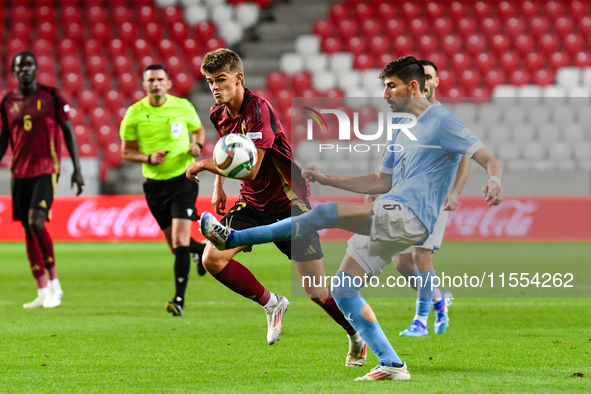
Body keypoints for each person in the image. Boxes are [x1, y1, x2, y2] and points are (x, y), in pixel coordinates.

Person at [198, 56, 503, 381]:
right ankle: (392, 364)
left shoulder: (443, 121)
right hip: (390, 209)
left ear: (413, 86)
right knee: (342, 289)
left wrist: (495, 179)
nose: (384, 94)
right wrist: (329, 179)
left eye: (390, 86)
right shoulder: (401, 129)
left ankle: (236, 239)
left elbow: (486, 157)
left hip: (410, 216)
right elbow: (379, 181)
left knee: (327, 214)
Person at [184, 48, 366, 363]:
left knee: (317, 292)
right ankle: (272, 303)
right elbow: (227, 148)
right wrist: (218, 186)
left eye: (221, 80)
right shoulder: (219, 113)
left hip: (289, 206)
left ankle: (356, 335)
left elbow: (250, 167)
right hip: (252, 204)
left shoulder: (259, 111)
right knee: (211, 258)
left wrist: (205, 166)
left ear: (238, 78)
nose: (214, 87)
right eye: (210, 81)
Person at [370, 59, 471, 337]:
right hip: (403, 197)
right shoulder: (404, 117)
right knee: (403, 264)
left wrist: (455, 191)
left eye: (429, 77)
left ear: (435, 82)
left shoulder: (444, 118)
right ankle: (439, 298)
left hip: (432, 199)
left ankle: (419, 321)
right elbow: (390, 150)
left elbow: (466, 156)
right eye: (422, 76)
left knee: (421, 256)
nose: (425, 82)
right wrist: (378, 185)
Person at [120, 64, 207, 317]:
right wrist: (147, 157)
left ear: (168, 84)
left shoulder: (182, 106)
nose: (155, 84)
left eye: (160, 79)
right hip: (155, 187)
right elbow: (126, 151)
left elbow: (198, 130)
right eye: (151, 80)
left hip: (183, 180)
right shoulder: (134, 113)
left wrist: (197, 145)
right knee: (175, 246)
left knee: (180, 241)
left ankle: (179, 300)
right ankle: (200, 250)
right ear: (144, 85)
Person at [0, 51, 84, 309]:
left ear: (36, 69)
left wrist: (76, 169)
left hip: (46, 170)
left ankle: (55, 285)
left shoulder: (51, 96)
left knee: (36, 221)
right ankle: (41, 289)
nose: (24, 69)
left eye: (29, 64)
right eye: (19, 66)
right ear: (14, 71)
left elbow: (68, 130)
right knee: (27, 228)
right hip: (19, 173)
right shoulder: (7, 101)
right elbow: (4, 139)